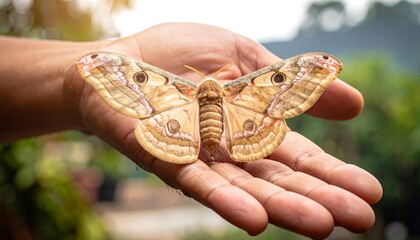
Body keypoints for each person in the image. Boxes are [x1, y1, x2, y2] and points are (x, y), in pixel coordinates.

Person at [0, 22, 382, 238]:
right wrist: (82, 77)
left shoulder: (181, 88)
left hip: (180, 116)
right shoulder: (239, 85)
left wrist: (314, 67)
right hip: (241, 120)